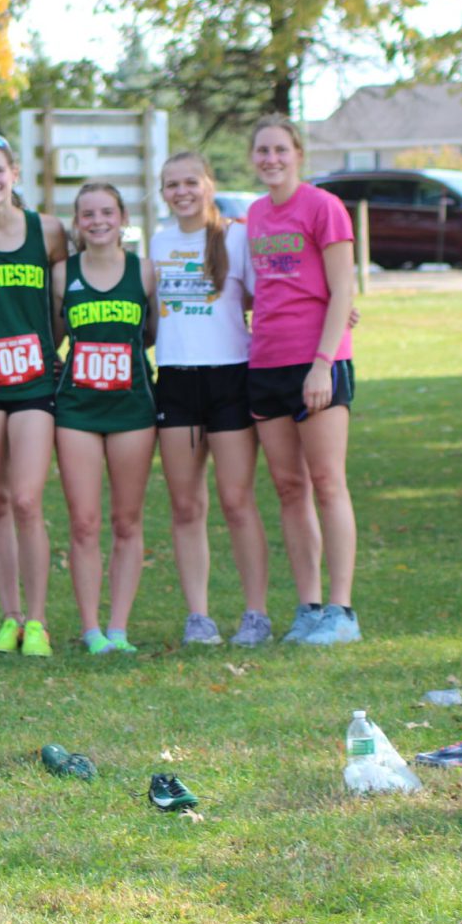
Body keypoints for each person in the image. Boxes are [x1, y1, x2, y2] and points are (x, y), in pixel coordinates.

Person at [245, 115, 359, 645]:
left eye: (280, 150)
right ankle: (309, 607)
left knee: (327, 482)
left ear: (298, 153)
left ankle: (342, 611)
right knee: (289, 488)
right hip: (265, 364)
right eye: (262, 151)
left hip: (317, 364)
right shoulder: (254, 215)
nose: (271, 159)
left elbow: (342, 291)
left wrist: (322, 361)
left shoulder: (323, 208)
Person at [150, 152, 271, 647]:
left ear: (208, 184)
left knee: (237, 501)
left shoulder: (236, 238)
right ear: (162, 192)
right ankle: (199, 617)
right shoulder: (158, 242)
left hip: (230, 380)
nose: (181, 192)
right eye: (171, 184)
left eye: (190, 182)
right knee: (185, 506)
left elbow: (271, 300)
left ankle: (256, 614)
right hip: (176, 381)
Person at [0, 132, 68, 659]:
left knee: (26, 499)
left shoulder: (47, 231)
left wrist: (50, 346)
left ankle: (39, 621)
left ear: (14, 173)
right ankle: (10, 618)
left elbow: (67, 301)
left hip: (36, 383)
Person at [52, 182, 159, 655]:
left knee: (127, 520)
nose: (98, 221)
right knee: (84, 521)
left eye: (107, 213)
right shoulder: (61, 275)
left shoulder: (145, 272)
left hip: (132, 407)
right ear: (77, 222)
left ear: (123, 217)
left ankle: (119, 628)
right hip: (77, 408)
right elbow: (52, 335)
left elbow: (152, 332)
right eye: (88, 214)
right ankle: (92, 629)